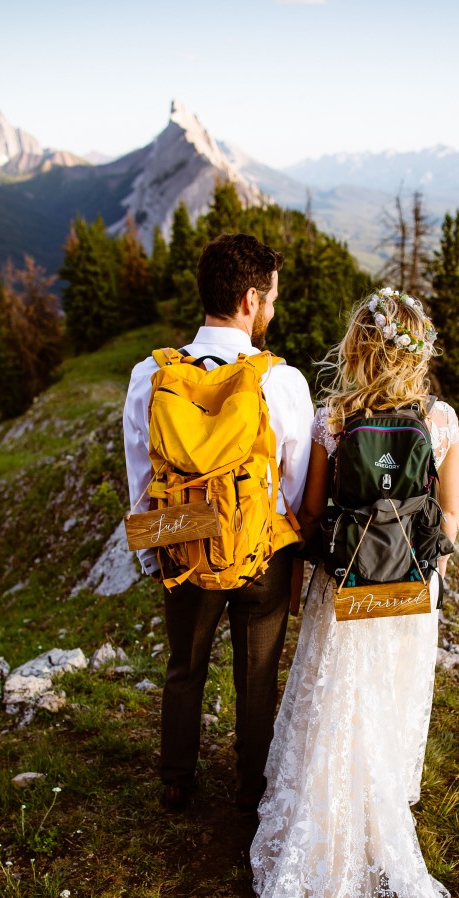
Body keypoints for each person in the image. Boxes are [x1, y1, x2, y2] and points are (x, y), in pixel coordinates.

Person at [214, 288, 459, 898]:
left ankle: (331, 802)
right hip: (408, 597)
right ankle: (380, 793)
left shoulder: (332, 420)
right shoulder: (442, 423)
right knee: (386, 703)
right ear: (419, 351)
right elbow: (449, 526)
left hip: (345, 593)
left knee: (335, 701)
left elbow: (317, 516)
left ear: (360, 346)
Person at [123, 232, 314, 813]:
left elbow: (140, 474)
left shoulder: (149, 376)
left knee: (184, 665)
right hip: (258, 544)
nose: (273, 309)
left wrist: (152, 553)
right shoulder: (281, 381)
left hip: (182, 533)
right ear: (251, 300)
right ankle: (252, 788)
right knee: (256, 677)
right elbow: (296, 481)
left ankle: (177, 779)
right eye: (272, 298)